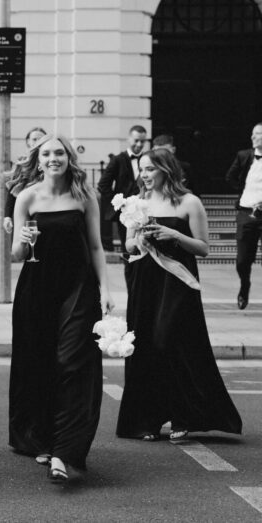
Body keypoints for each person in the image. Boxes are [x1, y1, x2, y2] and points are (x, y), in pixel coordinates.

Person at [116, 148, 242, 441]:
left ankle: (183, 416)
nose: (144, 176)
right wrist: (140, 238)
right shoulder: (137, 203)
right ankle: (145, 420)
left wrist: (175, 235)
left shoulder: (189, 202)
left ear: (166, 169)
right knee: (145, 344)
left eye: (150, 169)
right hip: (145, 281)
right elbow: (129, 247)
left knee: (169, 341)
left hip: (177, 283)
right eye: (142, 170)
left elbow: (203, 247)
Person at [9, 134, 114, 484]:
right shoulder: (27, 197)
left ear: (69, 158)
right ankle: (40, 437)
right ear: (38, 161)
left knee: (72, 362)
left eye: (59, 152)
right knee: (39, 363)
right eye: (46, 153)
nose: (53, 158)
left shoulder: (85, 196)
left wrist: (107, 288)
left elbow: (97, 246)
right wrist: (21, 241)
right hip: (37, 289)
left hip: (78, 287)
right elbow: (16, 256)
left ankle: (66, 450)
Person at [97, 125, 150, 257]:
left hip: (146, 210)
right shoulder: (117, 159)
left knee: (146, 249)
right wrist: (120, 203)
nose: (139, 144)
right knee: (128, 251)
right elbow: (103, 185)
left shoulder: (148, 159)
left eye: (142, 141)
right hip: (127, 213)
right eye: (136, 140)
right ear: (129, 139)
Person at [226, 123, 262, 310]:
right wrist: (245, 192)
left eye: (258, 134)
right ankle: (244, 286)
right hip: (246, 213)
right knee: (242, 260)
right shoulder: (244, 156)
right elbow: (230, 177)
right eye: (253, 134)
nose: (254, 137)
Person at [3, 126, 48, 234]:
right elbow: (13, 191)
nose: (37, 142)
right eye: (34, 139)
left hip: (44, 209)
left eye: (40, 139)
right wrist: (7, 216)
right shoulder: (22, 163)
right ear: (28, 142)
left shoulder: (49, 161)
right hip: (24, 210)